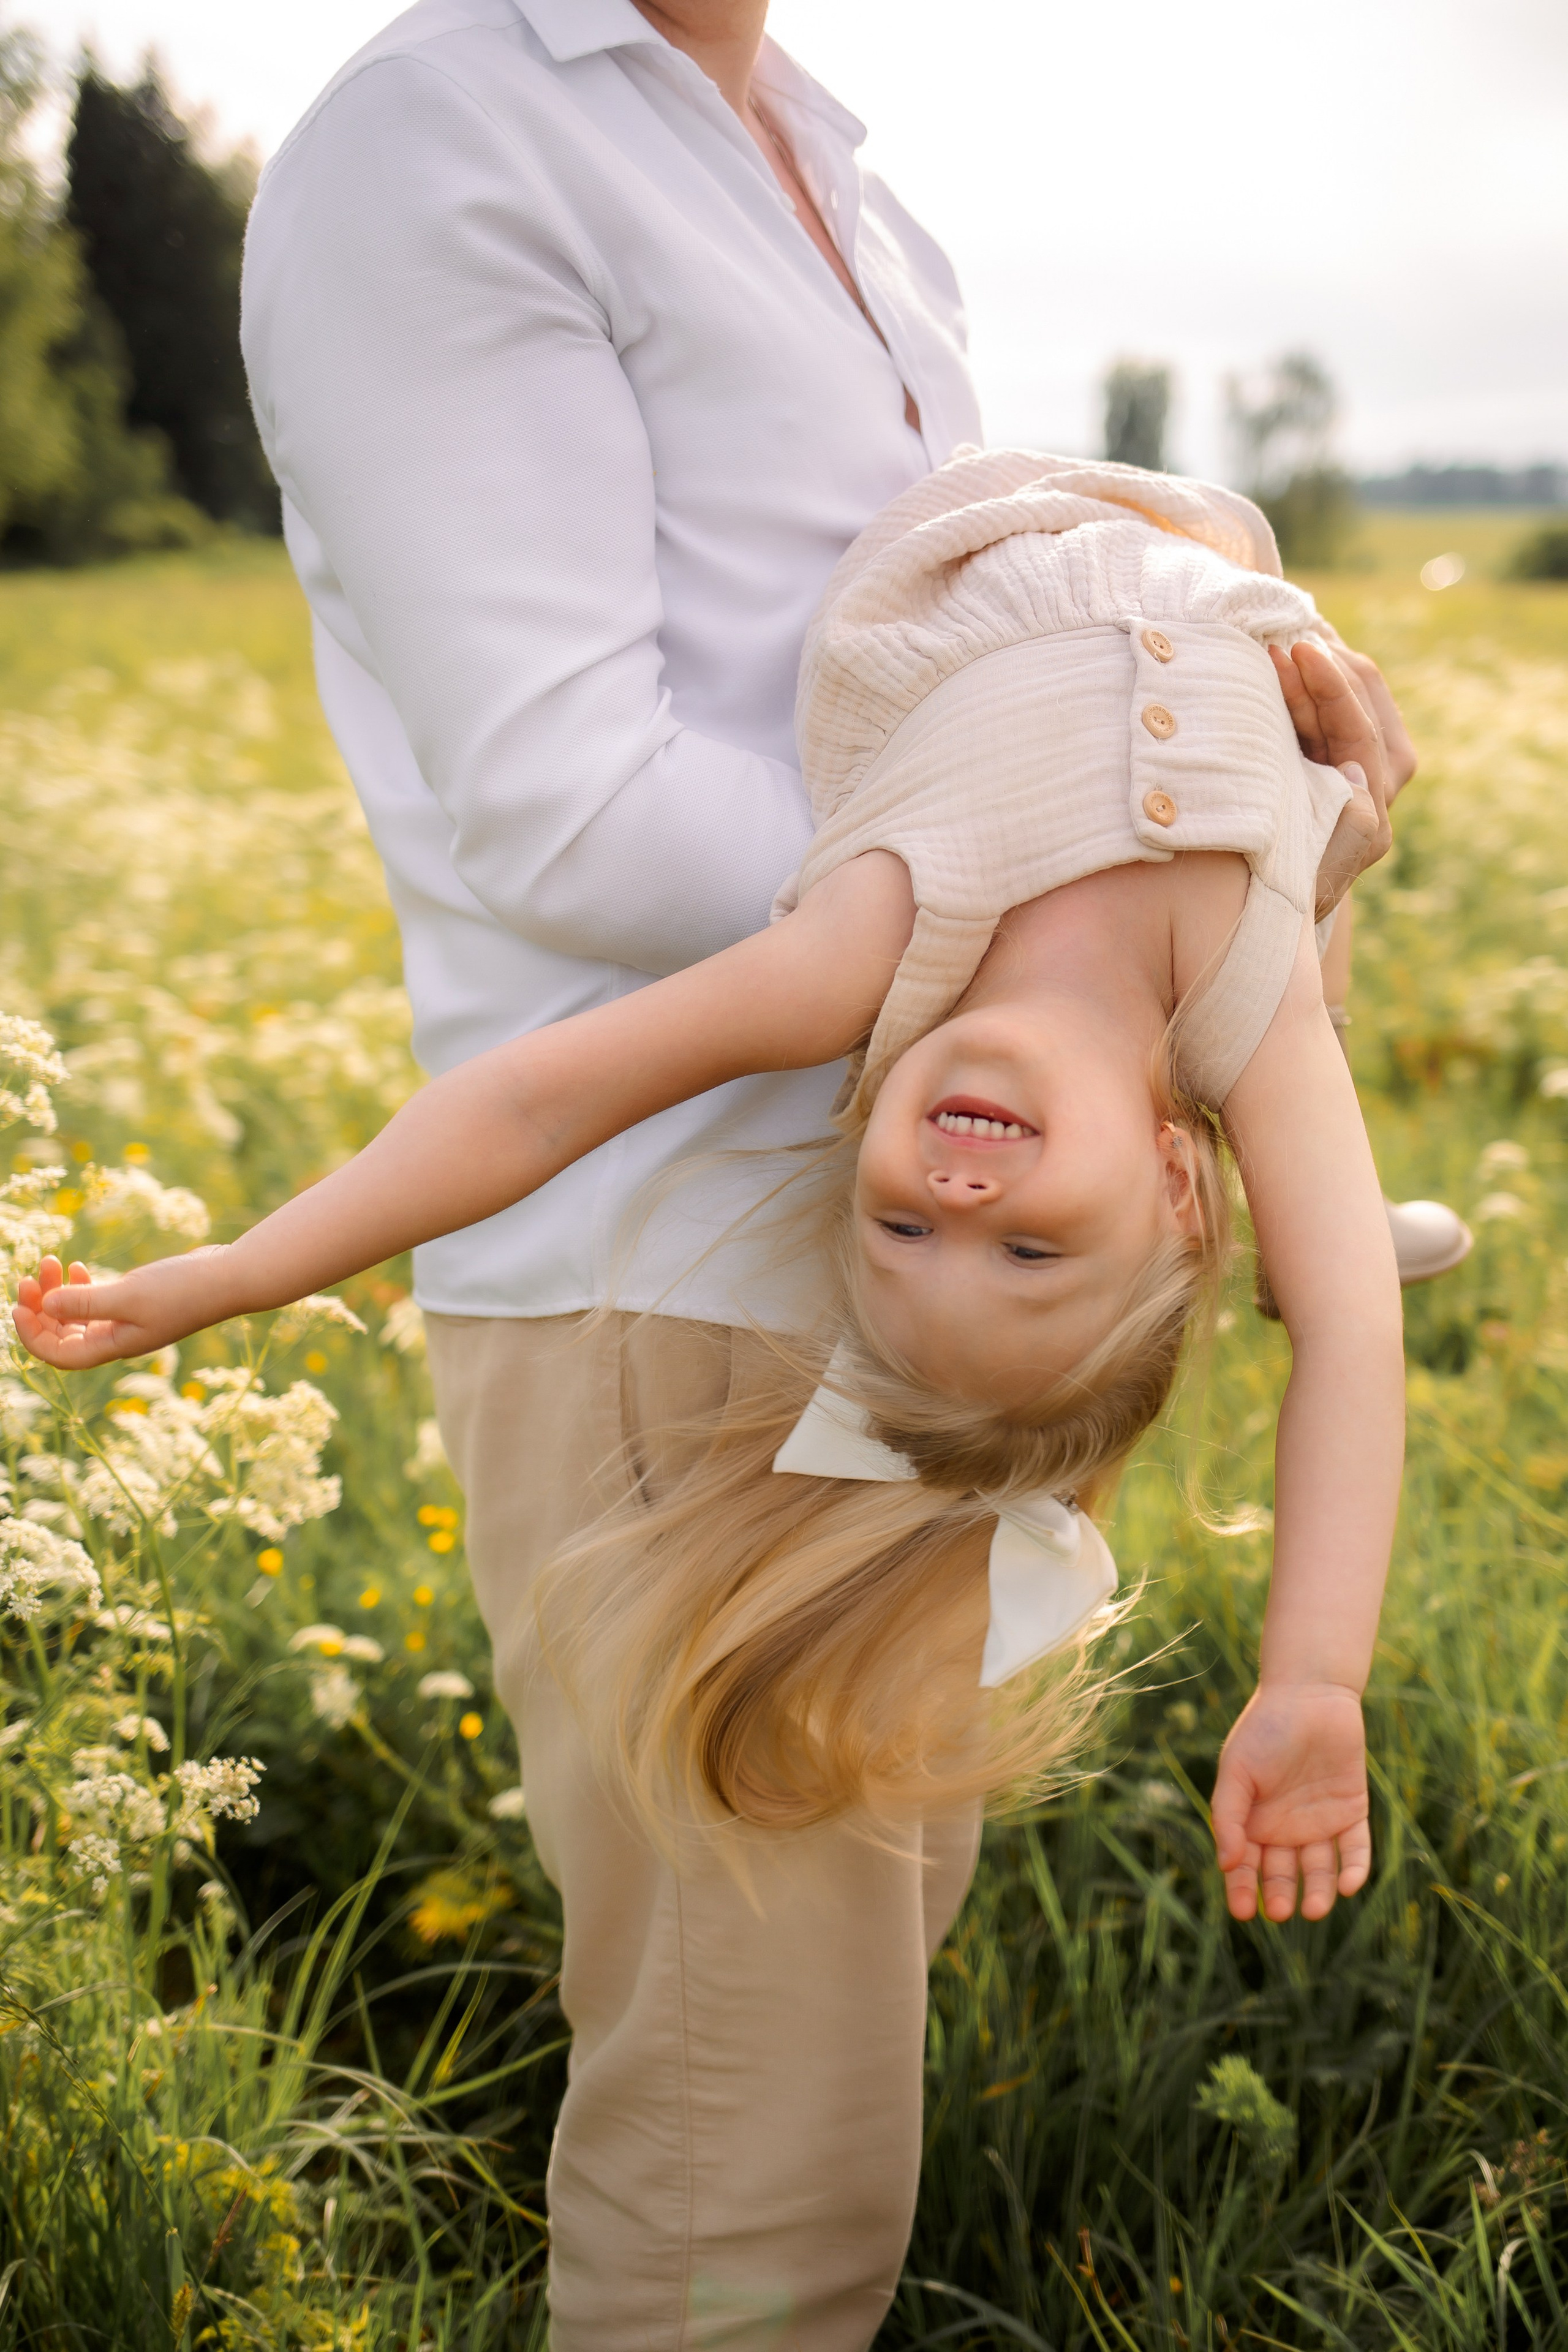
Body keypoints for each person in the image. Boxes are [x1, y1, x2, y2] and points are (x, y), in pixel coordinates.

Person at [25, 445, 1409, 2335]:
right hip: (1211, 580)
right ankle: (1337, 1197)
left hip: (996, 559)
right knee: (1330, 1075)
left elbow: (541, 1097)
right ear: (1179, 1185)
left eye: (900, 1238)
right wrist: (1313, 1677)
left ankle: (1322, 1201)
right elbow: (1347, 1340)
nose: (948, 1201)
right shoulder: (1250, 1006)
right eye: (1024, 1252)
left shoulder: (875, 952)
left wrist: (245, 1270)